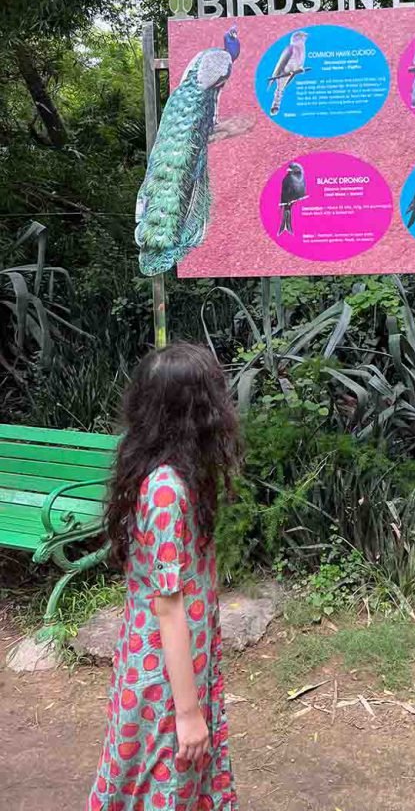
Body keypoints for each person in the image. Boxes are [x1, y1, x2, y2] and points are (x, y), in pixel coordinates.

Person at [88, 342, 242, 811]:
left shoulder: (176, 475)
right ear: (194, 412)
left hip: (174, 669)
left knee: (174, 783)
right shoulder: (164, 491)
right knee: (160, 785)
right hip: (163, 677)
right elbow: (168, 604)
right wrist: (189, 711)